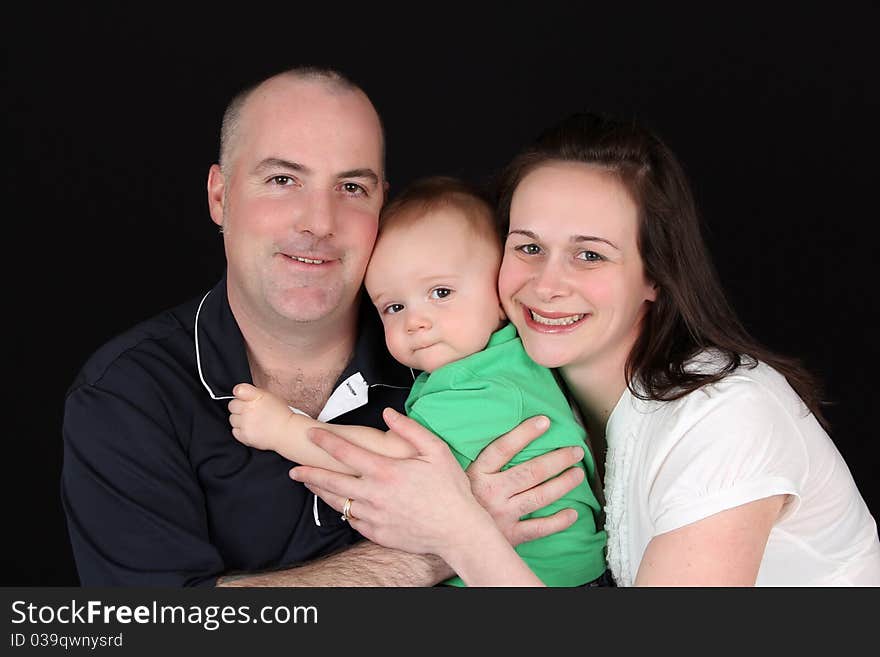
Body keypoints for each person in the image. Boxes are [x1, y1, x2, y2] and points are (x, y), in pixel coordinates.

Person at [290, 111, 880, 586]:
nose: (547, 284)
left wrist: (459, 531)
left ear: (655, 276)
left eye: (590, 254)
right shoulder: (519, 391)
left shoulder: (727, 417)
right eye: (527, 248)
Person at [60, 67, 585, 586]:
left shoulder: (452, 349)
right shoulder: (127, 395)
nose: (318, 222)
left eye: (351, 187)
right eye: (283, 180)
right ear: (220, 196)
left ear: (383, 202)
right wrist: (446, 546)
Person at [227, 176, 609, 586]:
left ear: (500, 295)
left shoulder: (485, 385)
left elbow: (391, 465)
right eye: (394, 306)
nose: (415, 321)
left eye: (441, 293)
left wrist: (284, 428)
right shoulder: (501, 360)